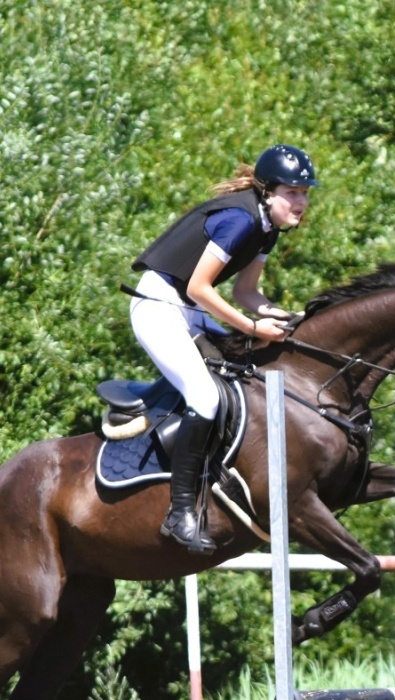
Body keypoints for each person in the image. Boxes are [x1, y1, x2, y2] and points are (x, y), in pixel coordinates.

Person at [129, 144, 318, 554]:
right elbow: (199, 287)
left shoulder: (268, 226)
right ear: (268, 191)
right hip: (160, 307)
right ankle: (179, 514)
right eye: (294, 192)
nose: (302, 202)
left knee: (246, 375)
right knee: (205, 396)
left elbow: (246, 291)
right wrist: (252, 326)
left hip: (189, 309)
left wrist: (284, 318)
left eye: (305, 193)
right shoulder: (238, 220)